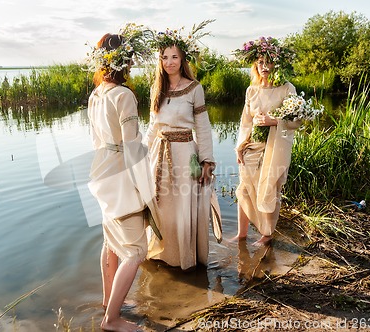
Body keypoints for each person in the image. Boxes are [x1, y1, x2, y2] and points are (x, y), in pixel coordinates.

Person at [86, 24, 159, 332]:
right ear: (125, 61)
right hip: (119, 171)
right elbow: (132, 146)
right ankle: (112, 319)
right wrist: (145, 186)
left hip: (99, 167)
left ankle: (108, 301)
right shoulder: (123, 95)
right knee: (136, 250)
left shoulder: (96, 94)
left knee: (111, 240)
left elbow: (94, 140)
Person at [145, 21, 219, 271]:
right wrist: (140, 155)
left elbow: (203, 127)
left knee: (182, 206)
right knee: (162, 205)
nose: (169, 62)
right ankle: (162, 255)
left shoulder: (194, 88)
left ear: (182, 58)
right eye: (164, 57)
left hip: (185, 153)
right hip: (160, 153)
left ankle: (184, 259)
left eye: (174, 56)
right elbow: (152, 127)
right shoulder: (158, 88)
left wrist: (207, 161)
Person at [232, 36, 300, 246]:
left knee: (270, 189)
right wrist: (239, 146)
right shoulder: (251, 90)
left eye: (268, 61)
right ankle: (241, 234)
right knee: (243, 189)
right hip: (252, 146)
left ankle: (267, 234)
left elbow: (296, 120)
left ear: (276, 63)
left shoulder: (287, 88)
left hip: (275, 147)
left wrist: (274, 121)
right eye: (260, 62)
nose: (264, 66)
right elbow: (245, 122)